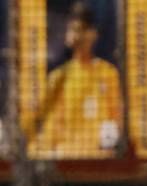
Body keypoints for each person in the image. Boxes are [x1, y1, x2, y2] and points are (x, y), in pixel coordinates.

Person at [25, 2, 122, 158]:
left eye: (82, 30)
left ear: (93, 33)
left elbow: (117, 117)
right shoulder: (58, 77)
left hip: (98, 156)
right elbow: (49, 123)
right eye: (72, 30)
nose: (78, 36)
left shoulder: (108, 74)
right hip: (65, 155)